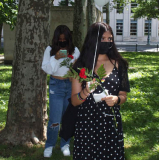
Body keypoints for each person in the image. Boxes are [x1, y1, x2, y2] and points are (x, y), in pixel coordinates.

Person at [71, 22, 130, 160]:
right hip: (86, 125)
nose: (107, 42)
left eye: (110, 39)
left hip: (110, 124)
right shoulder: (80, 66)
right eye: (103, 39)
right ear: (93, 39)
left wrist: (117, 100)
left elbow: (123, 95)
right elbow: (74, 101)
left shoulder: (119, 64)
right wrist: (85, 91)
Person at [41, 25, 80, 158]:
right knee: (55, 118)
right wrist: (56, 58)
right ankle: (50, 145)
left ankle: (65, 144)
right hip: (55, 85)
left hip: (70, 86)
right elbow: (47, 69)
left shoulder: (74, 51)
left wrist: (73, 74)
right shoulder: (50, 50)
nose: (62, 41)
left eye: (65, 39)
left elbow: (79, 68)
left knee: (67, 118)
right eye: (60, 39)